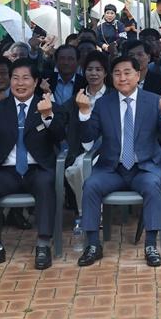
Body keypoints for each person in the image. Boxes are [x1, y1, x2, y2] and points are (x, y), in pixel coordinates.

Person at [74, 56, 161, 267]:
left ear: (138, 75)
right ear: (112, 78)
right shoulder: (103, 103)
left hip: (143, 168)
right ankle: (93, 244)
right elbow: (87, 137)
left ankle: (150, 244)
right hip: (113, 169)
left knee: (152, 185)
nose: (122, 77)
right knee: (90, 185)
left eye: (127, 73)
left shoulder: (153, 100)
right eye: (117, 73)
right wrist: (84, 113)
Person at [0, 59, 66, 271]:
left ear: (36, 81)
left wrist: (48, 116)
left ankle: (43, 244)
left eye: (25, 78)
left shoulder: (47, 105)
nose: (20, 83)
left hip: (36, 169)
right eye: (15, 78)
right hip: (6, 171)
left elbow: (60, 135)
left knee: (46, 182)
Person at [60, 51, 108, 218]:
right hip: (81, 149)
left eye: (98, 69)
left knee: (81, 167)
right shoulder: (77, 98)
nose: (93, 73)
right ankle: (88, 211)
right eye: (89, 69)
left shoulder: (112, 96)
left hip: (105, 148)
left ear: (105, 73)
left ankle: (87, 213)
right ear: (83, 71)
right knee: (74, 169)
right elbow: (61, 117)